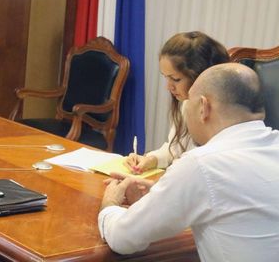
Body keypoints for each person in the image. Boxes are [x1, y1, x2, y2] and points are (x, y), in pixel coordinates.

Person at [99, 63, 279, 261]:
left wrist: (110, 204)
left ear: (203, 107)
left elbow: (123, 238)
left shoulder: (202, 163)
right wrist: (163, 192)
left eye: (188, 100)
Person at [125, 31, 229, 173]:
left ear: (199, 76)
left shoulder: (222, 119)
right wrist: (151, 159)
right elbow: (174, 149)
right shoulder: (187, 103)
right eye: (166, 78)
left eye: (175, 79)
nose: (168, 87)